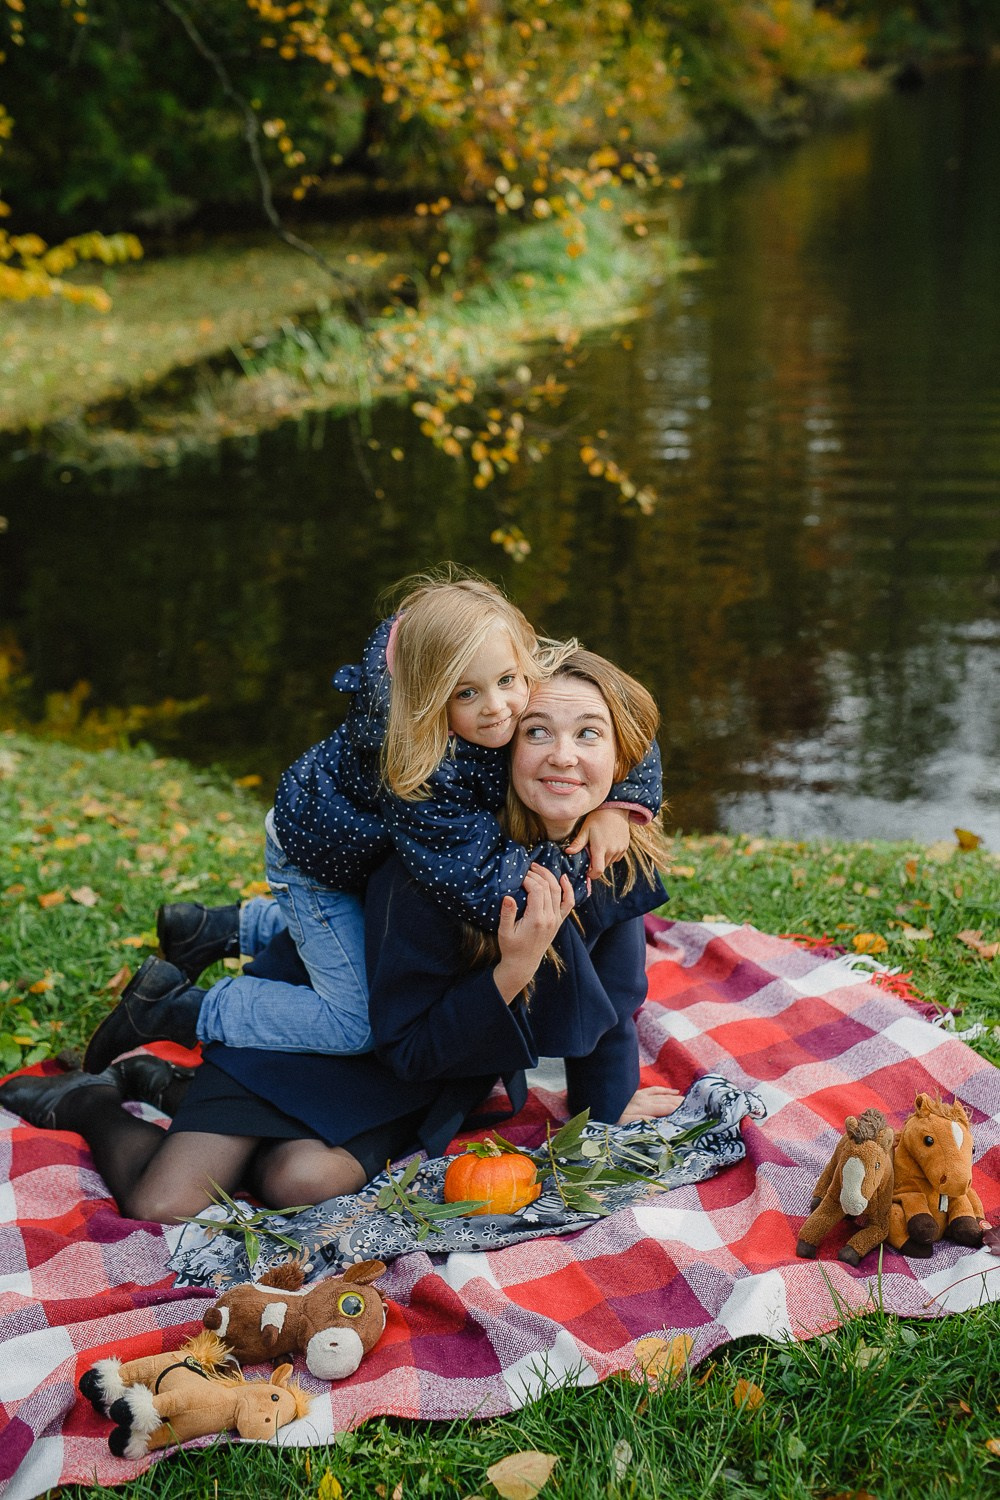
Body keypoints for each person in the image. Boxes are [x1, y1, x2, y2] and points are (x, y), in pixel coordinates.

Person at [0, 651, 676, 1224]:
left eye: (589, 735)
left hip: (423, 1070)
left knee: (299, 1180)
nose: (563, 757)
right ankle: (89, 1099)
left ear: (622, 758)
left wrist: (607, 1108)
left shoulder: (614, 860)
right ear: (502, 746)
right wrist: (513, 969)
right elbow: (401, 1035)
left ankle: (170, 1085)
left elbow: (613, 1009)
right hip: (332, 1019)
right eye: (538, 733)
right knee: (162, 1204)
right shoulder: (443, 858)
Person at [83, 569, 661, 1068]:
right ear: (427, 696)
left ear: (522, 652)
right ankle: (179, 1009)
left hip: (359, 834)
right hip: (315, 864)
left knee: (365, 925)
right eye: (466, 694)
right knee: (353, 1022)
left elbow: (611, 706)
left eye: (509, 681)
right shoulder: (423, 771)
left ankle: (216, 929)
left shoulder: (488, 650)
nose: (498, 708)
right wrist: (568, 869)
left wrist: (619, 803)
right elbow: (480, 884)